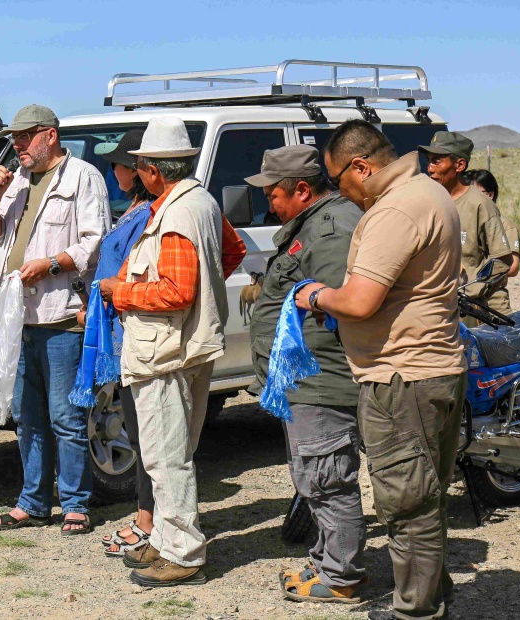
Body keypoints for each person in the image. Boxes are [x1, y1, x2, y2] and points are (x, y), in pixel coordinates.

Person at [296, 120, 467, 620]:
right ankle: (433, 597)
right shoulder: (429, 192)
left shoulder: (395, 209)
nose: (339, 192)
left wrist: (316, 296)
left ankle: (415, 611)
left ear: (361, 167)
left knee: (406, 504)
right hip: (431, 369)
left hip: (402, 377)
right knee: (426, 498)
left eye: (338, 181)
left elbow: (360, 300)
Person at [100, 117, 247, 587]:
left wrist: (120, 292)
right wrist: (206, 293)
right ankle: (165, 541)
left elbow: (176, 292)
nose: (138, 172)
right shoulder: (201, 202)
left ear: (153, 170)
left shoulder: (176, 214)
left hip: (164, 351)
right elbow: (233, 251)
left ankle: (182, 554)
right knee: (172, 451)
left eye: (141, 165)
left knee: (166, 458)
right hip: (186, 347)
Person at [0, 104, 110, 535]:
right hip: (19, 317)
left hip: (61, 314)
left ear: (49, 135)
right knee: (26, 416)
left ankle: (75, 504)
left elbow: (95, 242)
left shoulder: (83, 177)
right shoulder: (17, 179)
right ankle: (32, 503)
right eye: (14, 138)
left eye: (24, 136)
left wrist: (51, 264)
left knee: (66, 418)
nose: (17, 145)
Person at [244, 145, 367, 603]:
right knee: (316, 477)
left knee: (328, 478)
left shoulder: (331, 230)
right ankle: (327, 561)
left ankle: (341, 577)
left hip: (322, 380)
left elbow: (338, 305)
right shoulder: (312, 224)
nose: (269, 204)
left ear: (301, 189)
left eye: (273, 195)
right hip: (305, 380)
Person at [79, 129, 157, 556]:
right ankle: (147, 518)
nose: (113, 172)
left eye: (117, 165)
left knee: (145, 434)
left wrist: (107, 297)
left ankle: (150, 522)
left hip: (133, 331)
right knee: (139, 430)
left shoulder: (146, 216)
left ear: (137, 169)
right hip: (122, 330)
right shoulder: (134, 210)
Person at [418, 132, 512, 317]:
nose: (429, 169)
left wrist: (476, 293)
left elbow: (503, 260)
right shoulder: (427, 200)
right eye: (428, 161)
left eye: (437, 161)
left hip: (465, 309)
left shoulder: (479, 204)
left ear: (459, 165)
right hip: (430, 305)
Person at [464, 169, 519, 311]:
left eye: (475, 193)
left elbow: (512, 267)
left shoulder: (505, 225)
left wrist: (479, 278)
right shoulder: (462, 223)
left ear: (490, 195)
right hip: (465, 302)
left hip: (494, 306)